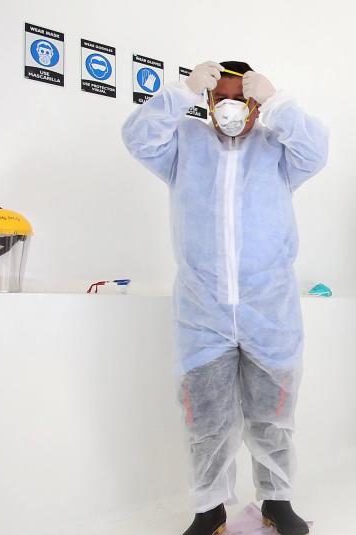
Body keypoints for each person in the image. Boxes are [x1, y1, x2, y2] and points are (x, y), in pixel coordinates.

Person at [122, 60, 328, 535]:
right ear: (209, 101)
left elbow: (318, 150)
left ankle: (277, 500)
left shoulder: (278, 150)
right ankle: (209, 508)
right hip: (203, 312)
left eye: (243, 99)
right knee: (206, 419)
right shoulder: (184, 145)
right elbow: (137, 137)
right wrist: (180, 91)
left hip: (268, 311)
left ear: (256, 104)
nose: (231, 108)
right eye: (222, 98)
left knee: (273, 416)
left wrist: (278, 102)